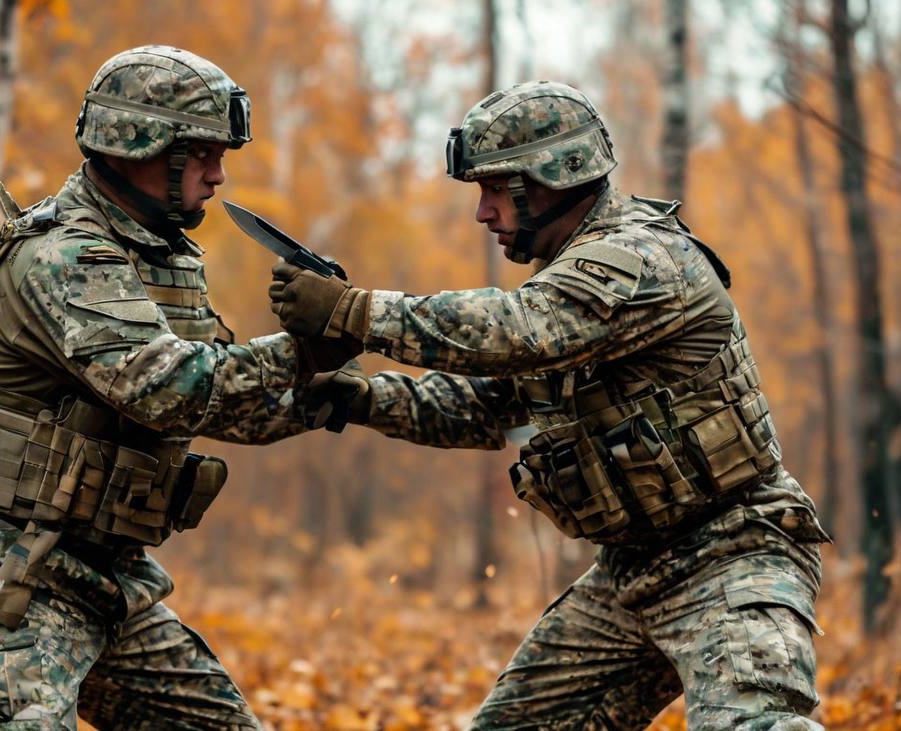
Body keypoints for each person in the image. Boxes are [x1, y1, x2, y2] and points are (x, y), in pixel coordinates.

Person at [270, 80, 829, 730]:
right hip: (629, 572)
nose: (482, 213)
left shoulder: (643, 258)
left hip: (733, 552)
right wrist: (366, 397)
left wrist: (357, 312)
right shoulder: (566, 283)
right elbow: (492, 405)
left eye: (494, 189)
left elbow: (516, 331)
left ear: (553, 176)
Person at [0, 45, 350, 729]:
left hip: (104, 575)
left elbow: (215, 405)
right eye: (202, 154)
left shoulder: (158, 256)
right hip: (4, 573)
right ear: (139, 144)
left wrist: (338, 381)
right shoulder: (65, 255)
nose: (218, 174)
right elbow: (167, 388)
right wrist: (304, 351)